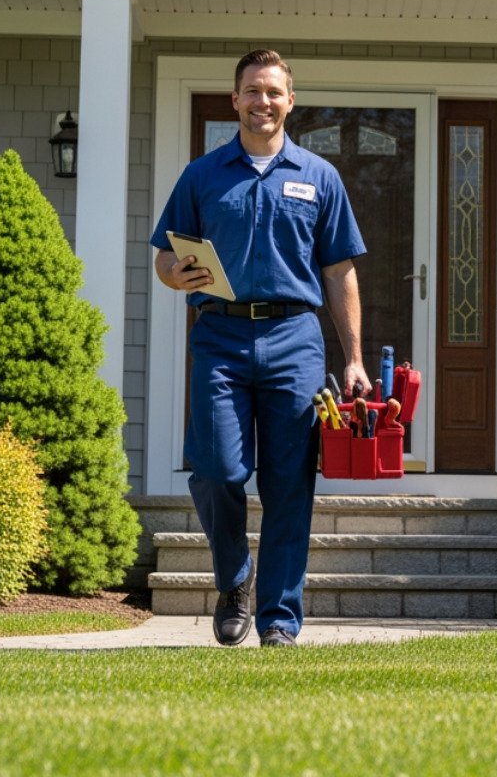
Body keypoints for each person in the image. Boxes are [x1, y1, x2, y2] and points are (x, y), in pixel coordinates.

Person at [150, 49, 368, 648]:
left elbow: (340, 272)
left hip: (294, 338)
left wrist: (352, 358)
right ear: (235, 100)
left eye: (274, 92)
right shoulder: (202, 175)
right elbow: (166, 256)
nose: (263, 101)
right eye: (252, 91)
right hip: (219, 336)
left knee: (288, 485)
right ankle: (234, 578)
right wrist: (176, 274)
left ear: (290, 101)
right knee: (217, 468)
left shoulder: (320, 176)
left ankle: (279, 620)